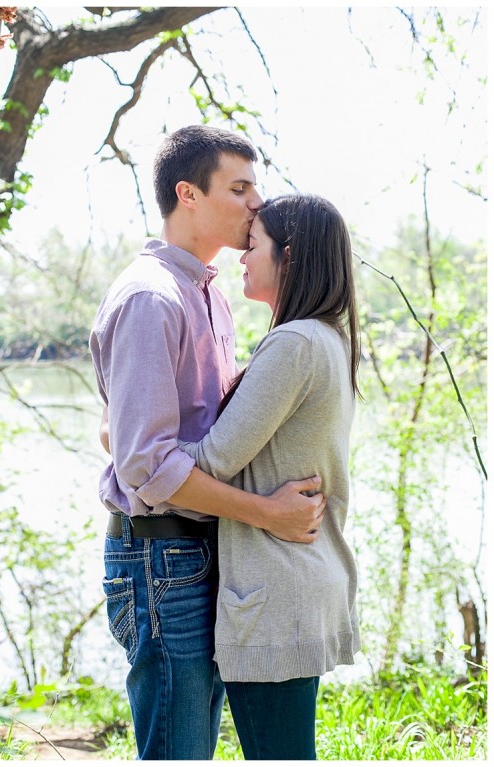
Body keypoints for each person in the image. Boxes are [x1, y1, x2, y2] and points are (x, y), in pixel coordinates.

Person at [89, 125, 326, 760]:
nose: (256, 203)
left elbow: (168, 430)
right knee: (179, 750)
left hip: (201, 551)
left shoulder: (209, 295)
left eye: (257, 188)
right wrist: (269, 512)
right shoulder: (150, 297)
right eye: (240, 187)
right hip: (160, 559)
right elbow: (147, 466)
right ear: (188, 194)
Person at [176, 194, 361, 759]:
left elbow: (213, 459)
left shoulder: (294, 343)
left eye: (253, 245)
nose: (241, 257)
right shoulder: (328, 338)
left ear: (291, 255)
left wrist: (123, 439)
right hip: (303, 581)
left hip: (275, 592)